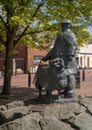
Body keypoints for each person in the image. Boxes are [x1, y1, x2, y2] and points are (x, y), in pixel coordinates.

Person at [42, 19, 78, 99]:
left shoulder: (70, 34)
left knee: (70, 74)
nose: (62, 26)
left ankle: (70, 92)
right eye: (62, 25)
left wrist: (70, 55)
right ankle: (65, 90)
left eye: (64, 25)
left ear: (69, 25)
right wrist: (47, 57)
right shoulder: (60, 35)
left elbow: (73, 45)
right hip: (59, 60)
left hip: (68, 59)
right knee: (60, 75)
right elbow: (54, 49)